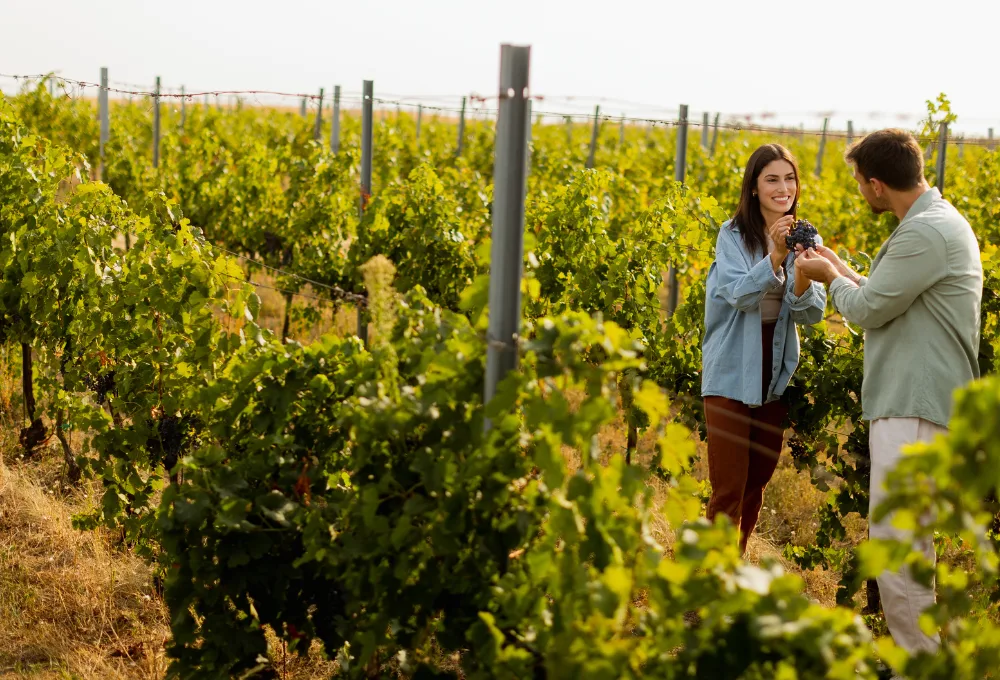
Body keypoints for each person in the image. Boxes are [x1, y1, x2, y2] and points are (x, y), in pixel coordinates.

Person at [795, 128, 983, 656]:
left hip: (915, 406)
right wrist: (837, 268)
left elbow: (868, 309)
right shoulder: (933, 223)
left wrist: (827, 278)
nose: (860, 190)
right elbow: (884, 297)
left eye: (860, 181)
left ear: (876, 185)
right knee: (906, 545)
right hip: (919, 403)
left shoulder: (924, 233)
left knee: (897, 547)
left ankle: (920, 665)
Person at [701, 144, 827, 555]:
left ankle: (735, 563)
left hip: (774, 371)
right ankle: (713, 574)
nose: (783, 188)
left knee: (756, 481)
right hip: (731, 366)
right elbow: (739, 295)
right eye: (772, 179)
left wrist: (802, 270)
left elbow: (811, 314)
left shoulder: (805, 239)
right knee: (729, 485)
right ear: (754, 187)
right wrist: (774, 256)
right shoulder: (733, 236)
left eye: (789, 179)